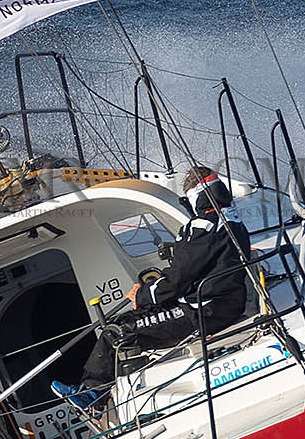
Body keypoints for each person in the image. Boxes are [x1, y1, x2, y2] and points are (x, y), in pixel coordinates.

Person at [53, 167, 253, 406]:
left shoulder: (204, 226)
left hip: (203, 312)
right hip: (219, 304)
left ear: (194, 196)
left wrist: (143, 296)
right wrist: (151, 294)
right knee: (137, 318)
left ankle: (93, 393)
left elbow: (179, 277)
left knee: (117, 330)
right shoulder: (231, 218)